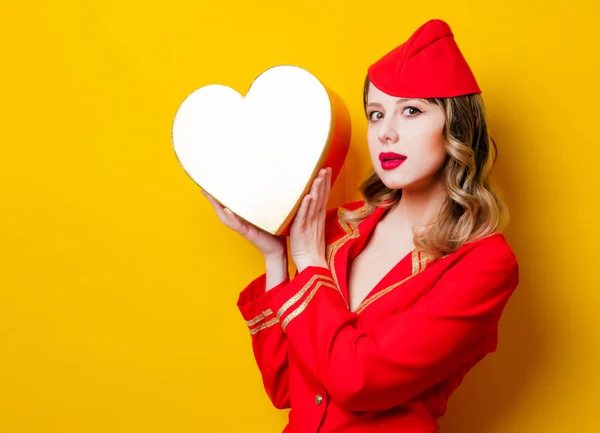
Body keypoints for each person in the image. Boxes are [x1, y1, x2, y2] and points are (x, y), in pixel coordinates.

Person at [203, 18, 519, 433]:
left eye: (411, 110)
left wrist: (307, 258)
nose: (386, 133)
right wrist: (277, 258)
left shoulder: (485, 264)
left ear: (457, 127)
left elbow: (360, 382)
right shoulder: (336, 229)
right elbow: (286, 390)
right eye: (375, 113)